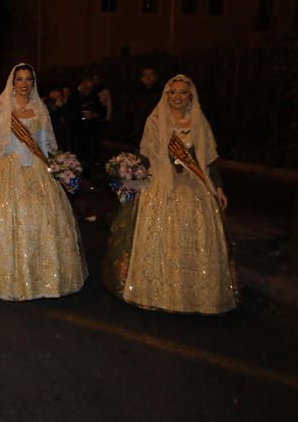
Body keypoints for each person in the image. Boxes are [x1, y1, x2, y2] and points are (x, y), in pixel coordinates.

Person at [101, 74, 235, 314]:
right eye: (173, 93)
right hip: (160, 184)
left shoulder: (199, 122)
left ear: (190, 96)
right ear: (166, 95)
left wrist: (218, 187)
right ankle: (153, 290)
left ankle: (194, 294)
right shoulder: (155, 121)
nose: (177, 97)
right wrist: (133, 178)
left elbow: (209, 160)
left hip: (193, 184)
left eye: (183, 93)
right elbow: (145, 155)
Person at [0, 64, 87, 300]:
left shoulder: (40, 110)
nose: (23, 83)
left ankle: (43, 277)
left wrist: (60, 168)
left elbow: (48, 145)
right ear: (13, 82)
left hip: (37, 170)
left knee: (44, 221)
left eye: (28, 79)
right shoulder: (0, 110)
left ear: (33, 82)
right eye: (19, 79)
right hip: (8, 171)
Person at [69, 77, 106, 170]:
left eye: (89, 88)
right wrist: (81, 116)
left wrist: (94, 114)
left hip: (91, 131)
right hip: (77, 131)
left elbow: (102, 111)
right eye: (85, 88)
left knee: (90, 153)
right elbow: (69, 113)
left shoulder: (94, 97)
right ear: (80, 87)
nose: (87, 91)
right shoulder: (73, 97)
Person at [130, 67, 161, 147]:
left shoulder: (161, 95)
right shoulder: (137, 94)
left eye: (150, 75)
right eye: (145, 75)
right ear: (141, 78)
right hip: (138, 133)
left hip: (154, 133)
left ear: (156, 77)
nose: (148, 77)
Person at [45, 88, 71, 152]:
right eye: (52, 98)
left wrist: (62, 107)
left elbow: (69, 120)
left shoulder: (66, 107)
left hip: (63, 139)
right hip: (50, 138)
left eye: (57, 97)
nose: (54, 100)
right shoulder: (45, 108)